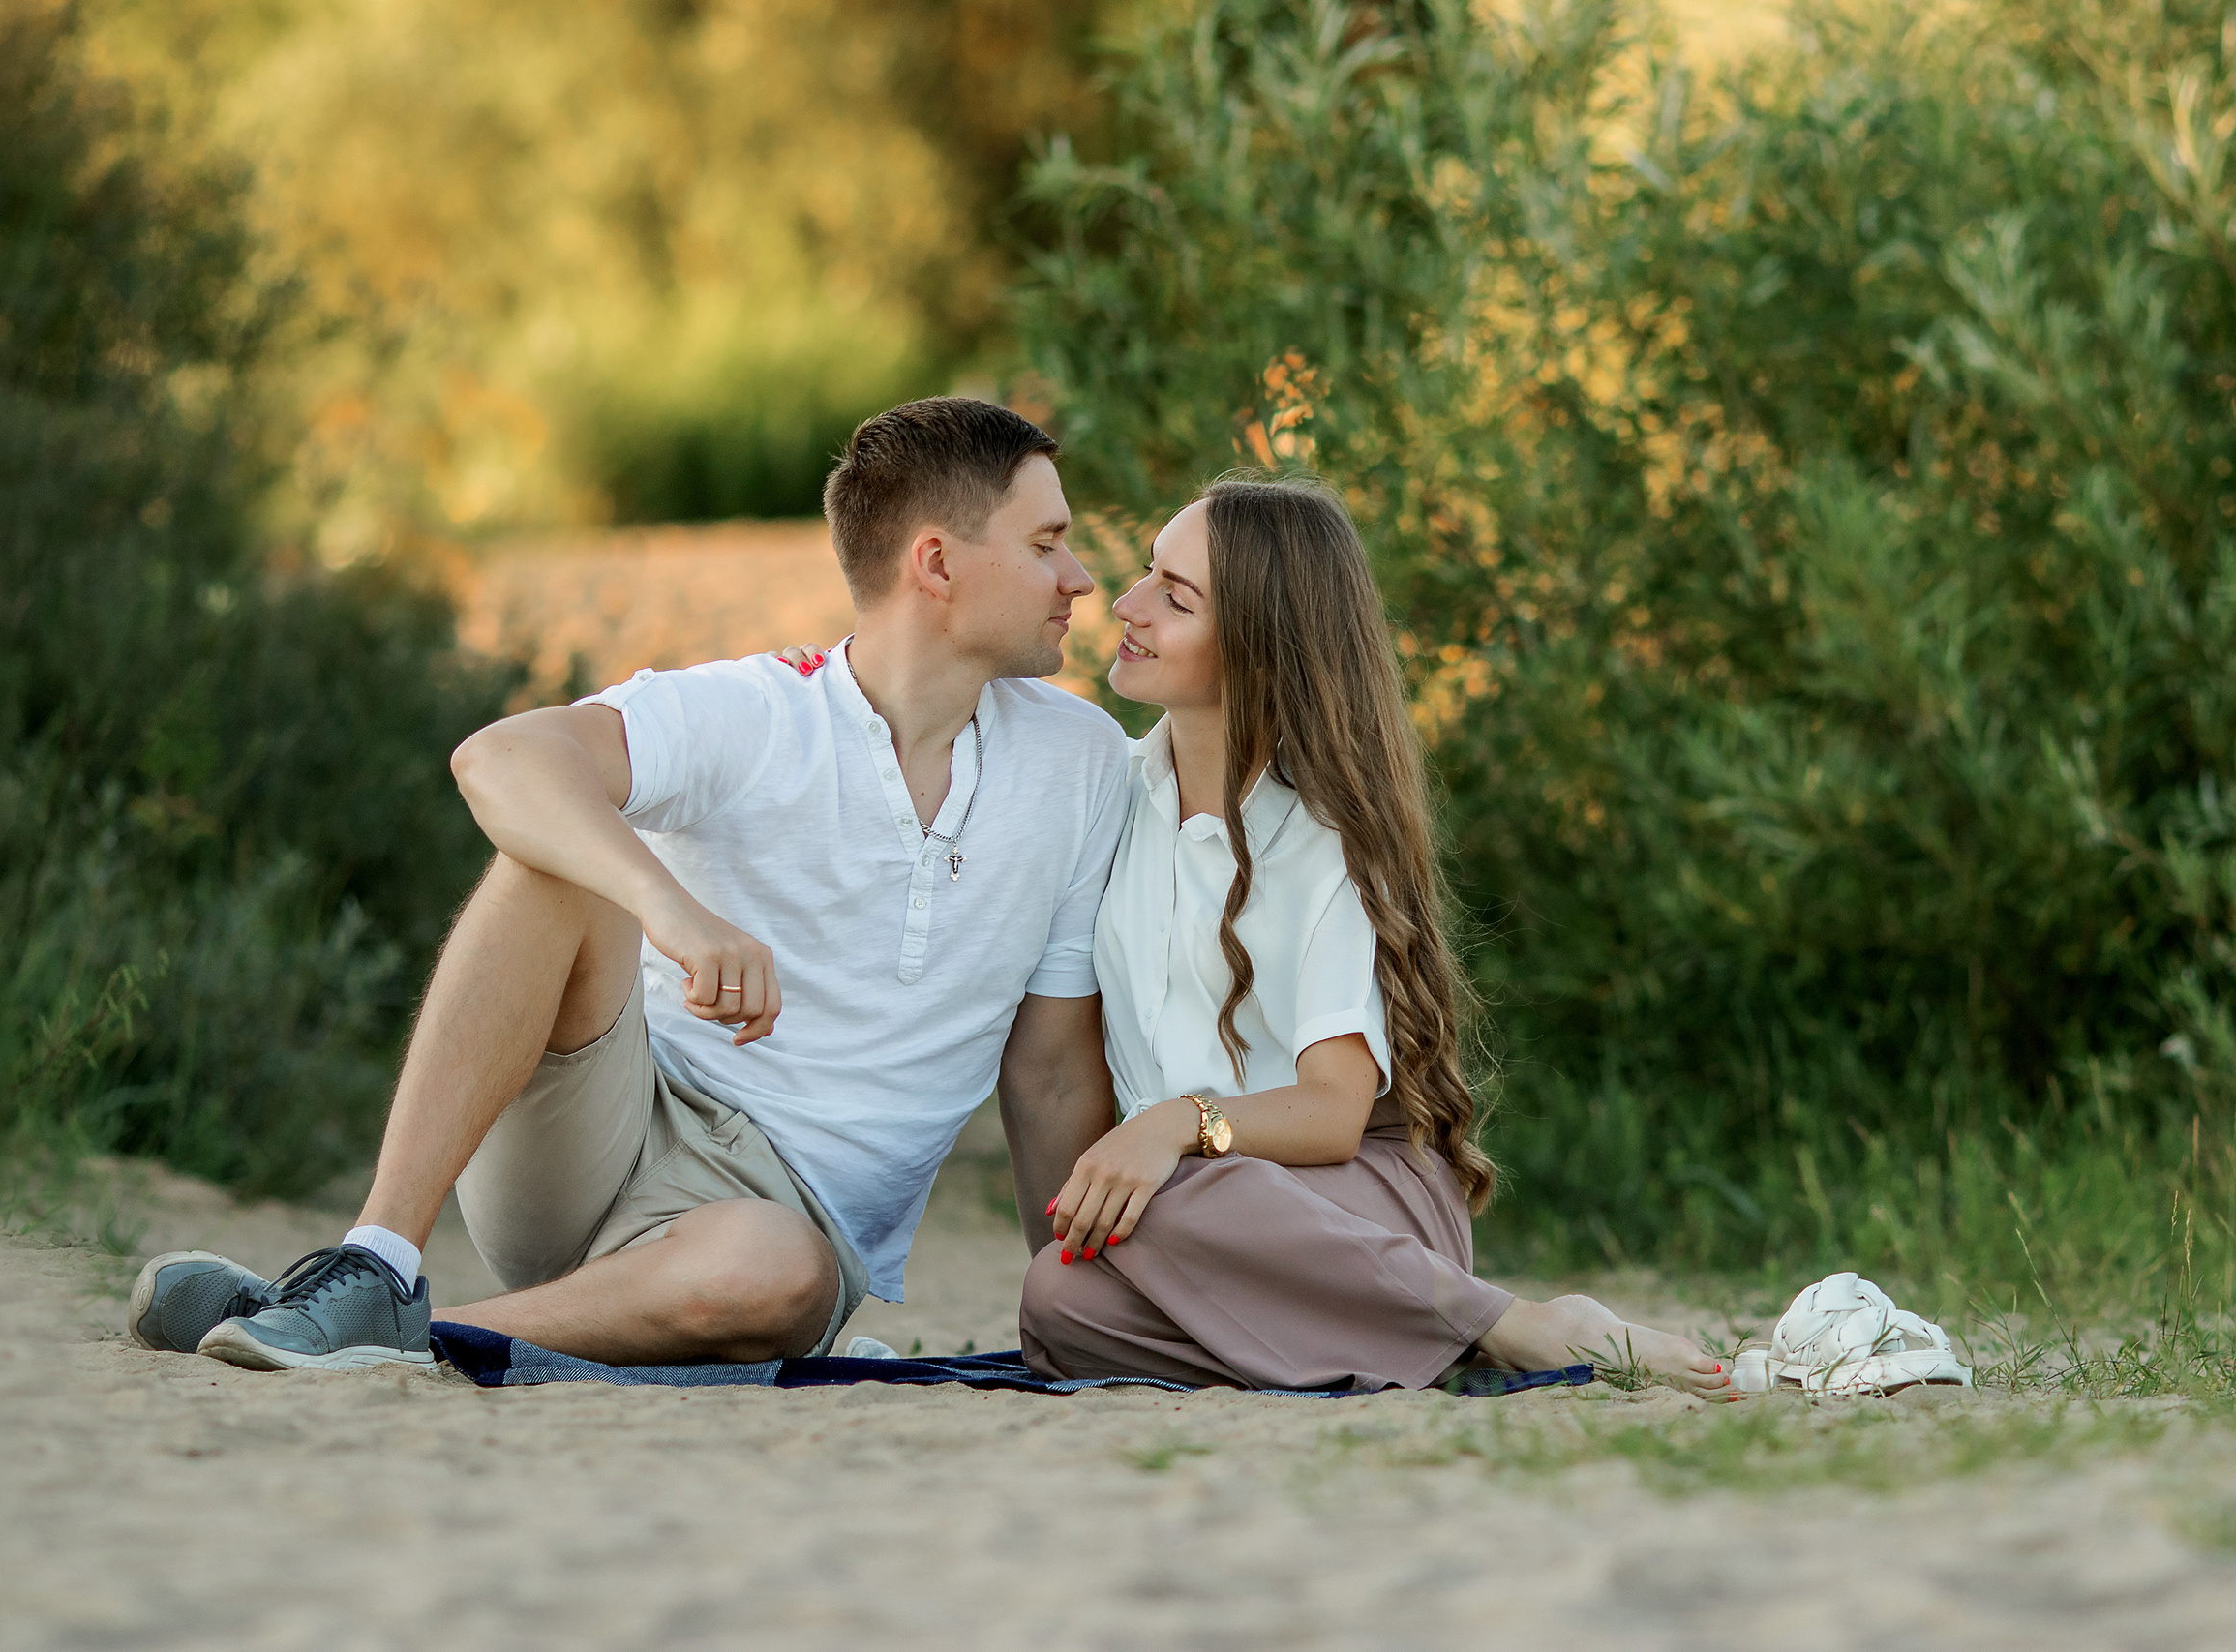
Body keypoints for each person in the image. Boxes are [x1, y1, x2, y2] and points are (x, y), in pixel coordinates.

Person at [125, 397, 1129, 1371]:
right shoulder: (757, 710)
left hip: (776, 1232)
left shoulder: (1081, 762)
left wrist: (1079, 1297)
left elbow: (1048, 1071)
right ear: (936, 563)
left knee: (773, 1270)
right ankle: (376, 1260)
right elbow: (500, 757)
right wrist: (673, 915)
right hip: (601, 1136)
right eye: (1046, 543)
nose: (1078, 578)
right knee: (555, 854)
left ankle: (373, 1325)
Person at [1014, 475, 1737, 1396]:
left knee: (1178, 1198)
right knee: (1058, 1298)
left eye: (1175, 596)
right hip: (1200, 1219)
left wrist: (1175, 1125)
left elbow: (1332, 1112)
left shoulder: (1327, 839)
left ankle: (1511, 1323)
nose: (1127, 602)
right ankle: (1407, 1336)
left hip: (1355, 1192)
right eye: (1149, 573)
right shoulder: (1110, 796)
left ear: (1261, 647)